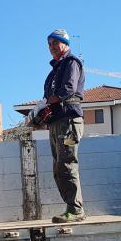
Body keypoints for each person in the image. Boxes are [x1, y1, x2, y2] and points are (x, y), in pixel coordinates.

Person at [43, 29, 86, 223]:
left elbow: (68, 89)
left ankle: (75, 210)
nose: (51, 47)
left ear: (65, 44)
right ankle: (71, 207)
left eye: (55, 43)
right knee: (59, 168)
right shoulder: (54, 70)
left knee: (67, 164)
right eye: (49, 44)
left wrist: (47, 104)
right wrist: (42, 114)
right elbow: (50, 98)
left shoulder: (71, 63)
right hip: (57, 122)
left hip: (68, 121)